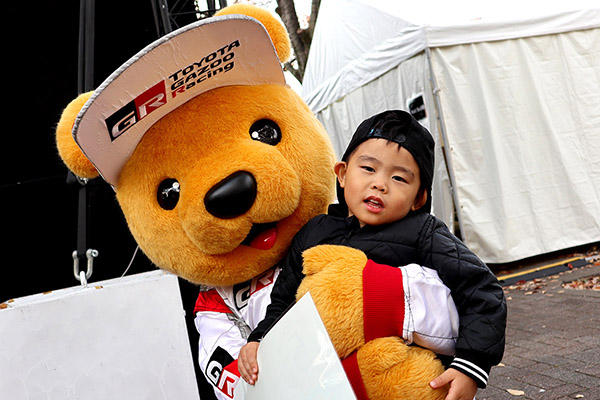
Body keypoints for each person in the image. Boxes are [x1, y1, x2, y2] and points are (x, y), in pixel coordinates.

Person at [237, 110, 506, 400]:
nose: (380, 184)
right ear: (341, 174)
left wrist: (470, 366)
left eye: (400, 178)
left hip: (402, 377)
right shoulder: (315, 231)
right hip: (330, 379)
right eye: (368, 169)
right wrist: (259, 339)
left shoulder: (423, 232)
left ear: (419, 198)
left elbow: (481, 289)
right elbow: (284, 300)